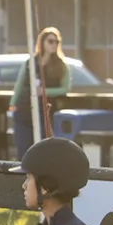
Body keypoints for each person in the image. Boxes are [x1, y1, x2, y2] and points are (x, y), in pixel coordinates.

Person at [11, 27, 72, 160]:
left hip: (45, 112)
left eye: (56, 42)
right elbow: (19, 84)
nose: (54, 44)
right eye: (50, 41)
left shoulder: (61, 65)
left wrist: (44, 92)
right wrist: (12, 104)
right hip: (24, 110)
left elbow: (65, 89)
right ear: (42, 42)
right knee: (23, 149)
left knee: (43, 149)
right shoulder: (30, 63)